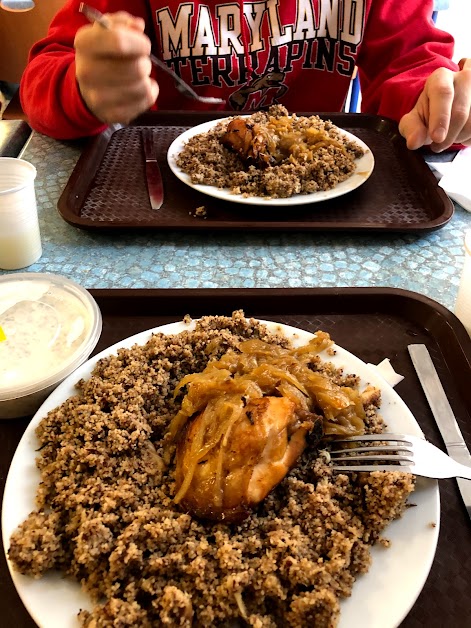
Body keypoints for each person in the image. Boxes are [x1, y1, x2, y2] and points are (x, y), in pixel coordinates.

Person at [19, 0, 471, 152]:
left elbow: (411, 64)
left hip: (317, 202)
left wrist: (438, 105)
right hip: (161, 192)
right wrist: (81, 87)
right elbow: (43, 76)